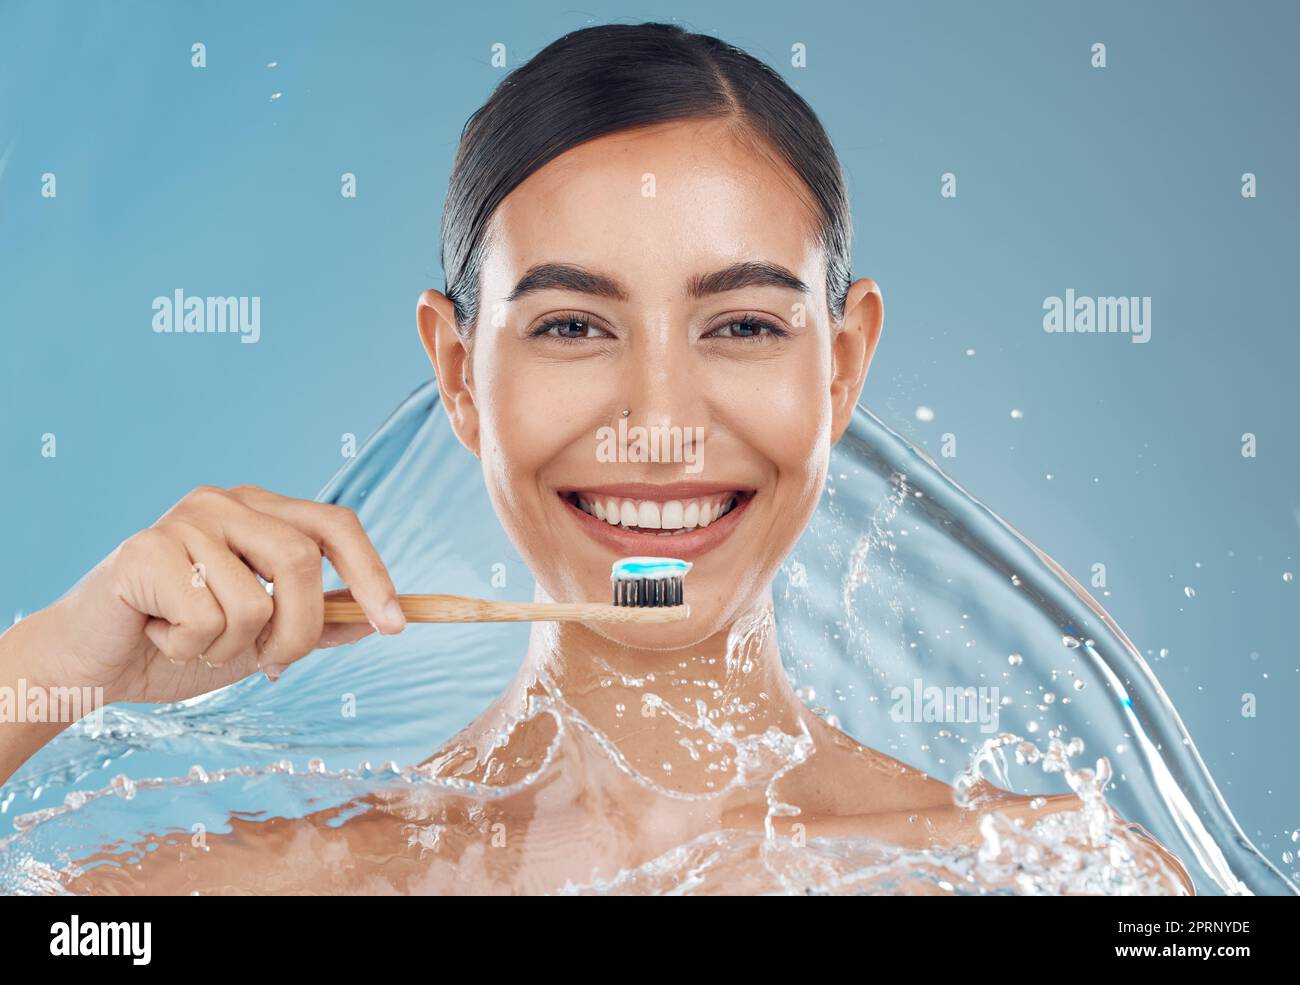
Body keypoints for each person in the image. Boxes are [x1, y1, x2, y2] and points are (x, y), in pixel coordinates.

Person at [0, 22, 1192, 895]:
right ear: (460, 373)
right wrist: (56, 662)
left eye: (741, 325)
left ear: (841, 365)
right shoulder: (207, 899)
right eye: (573, 325)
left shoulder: (1058, 882)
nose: (660, 422)